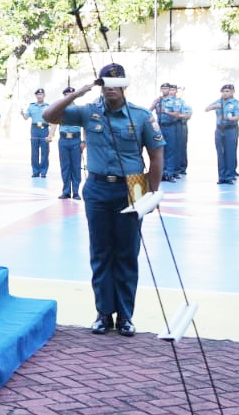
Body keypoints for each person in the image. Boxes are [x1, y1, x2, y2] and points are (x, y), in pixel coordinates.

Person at [43, 64, 164, 338]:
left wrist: (152, 192)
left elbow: (156, 156)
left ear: (125, 84)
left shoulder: (142, 116)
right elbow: (48, 114)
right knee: (100, 253)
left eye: (115, 82)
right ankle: (102, 313)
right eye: (105, 82)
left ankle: (124, 316)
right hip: (97, 187)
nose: (110, 87)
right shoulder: (88, 112)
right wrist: (78, 93)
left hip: (131, 186)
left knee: (126, 253)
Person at [205, 84, 239, 184]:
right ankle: (221, 176)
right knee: (220, 153)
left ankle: (229, 176)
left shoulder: (236, 103)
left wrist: (231, 118)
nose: (225, 93)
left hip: (231, 129)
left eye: (227, 91)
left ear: (232, 92)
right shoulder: (219, 101)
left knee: (230, 153)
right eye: (223, 91)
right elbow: (207, 108)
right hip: (219, 130)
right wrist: (214, 106)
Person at [152, 83, 190, 181]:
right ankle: (162, 172)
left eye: (167, 88)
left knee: (171, 151)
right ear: (160, 89)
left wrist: (166, 112)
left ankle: (170, 173)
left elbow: (177, 114)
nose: (165, 90)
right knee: (160, 150)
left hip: (171, 127)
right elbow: (149, 111)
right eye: (163, 88)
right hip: (160, 127)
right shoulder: (158, 100)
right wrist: (153, 104)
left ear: (170, 90)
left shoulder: (175, 101)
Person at [56, 89, 82, 198]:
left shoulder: (79, 109)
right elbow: (53, 122)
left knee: (76, 166)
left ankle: (75, 191)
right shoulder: (60, 109)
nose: (69, 97)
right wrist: (51, 135)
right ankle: (66, 191)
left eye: (71, 95)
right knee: (65, 166)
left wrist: (84, 141)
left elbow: (85, 125)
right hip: (63, 140)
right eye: (66, 95)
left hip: (76, 140)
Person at [24, 89, 50, 177]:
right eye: (38, 94)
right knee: (34, 151)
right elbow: (26, 117)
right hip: (35, 129)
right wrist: (22, 113)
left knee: (45, 151)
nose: (39, 96)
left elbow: (51, 119)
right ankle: (35, 171)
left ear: (44, 95)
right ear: (36, 96)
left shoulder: (48, 106)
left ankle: (43, 172)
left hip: (44, 129)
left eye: (41, 94)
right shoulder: (31, 106)